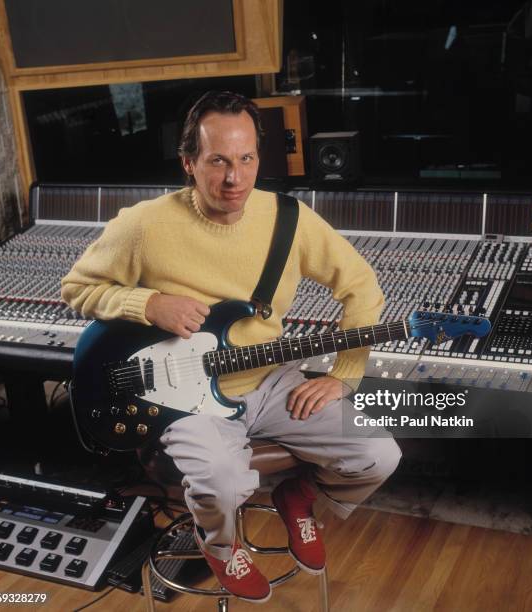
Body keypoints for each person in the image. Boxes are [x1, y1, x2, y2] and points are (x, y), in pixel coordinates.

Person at [61, 91, 402, 604]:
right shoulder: (143, 224)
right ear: (189, 163)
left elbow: (363, 288)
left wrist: (345, 375)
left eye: (246, 160)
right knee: (222, 480)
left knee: (378, 453)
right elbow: (77, 289)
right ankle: (220, 547)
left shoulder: (290, 219)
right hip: (184, 401)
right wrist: (147, 304)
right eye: (218, 160)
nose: (234, 178)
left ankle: (300, 494)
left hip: (269, 382)